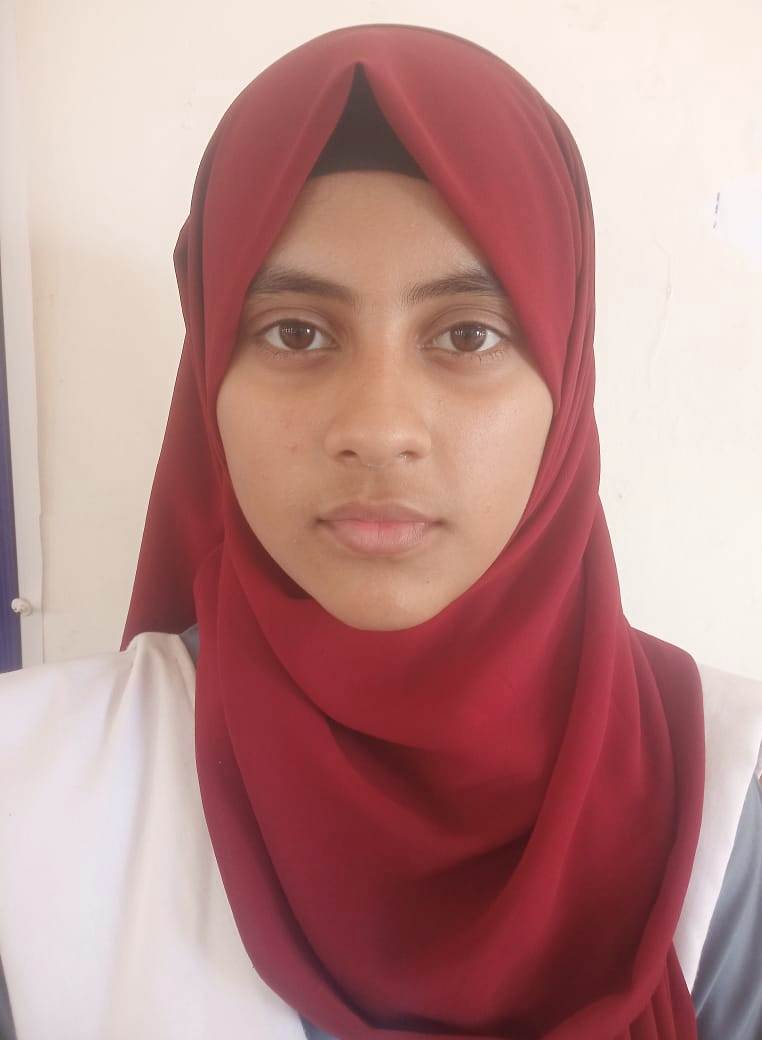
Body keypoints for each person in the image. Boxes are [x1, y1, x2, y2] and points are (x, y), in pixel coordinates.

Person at [1, 22, 761, 1040]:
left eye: (467, 334)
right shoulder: (31, 792)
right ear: (210, 371)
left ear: (566, 373)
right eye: (296, 332)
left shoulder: (730, 798)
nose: (377, 427)